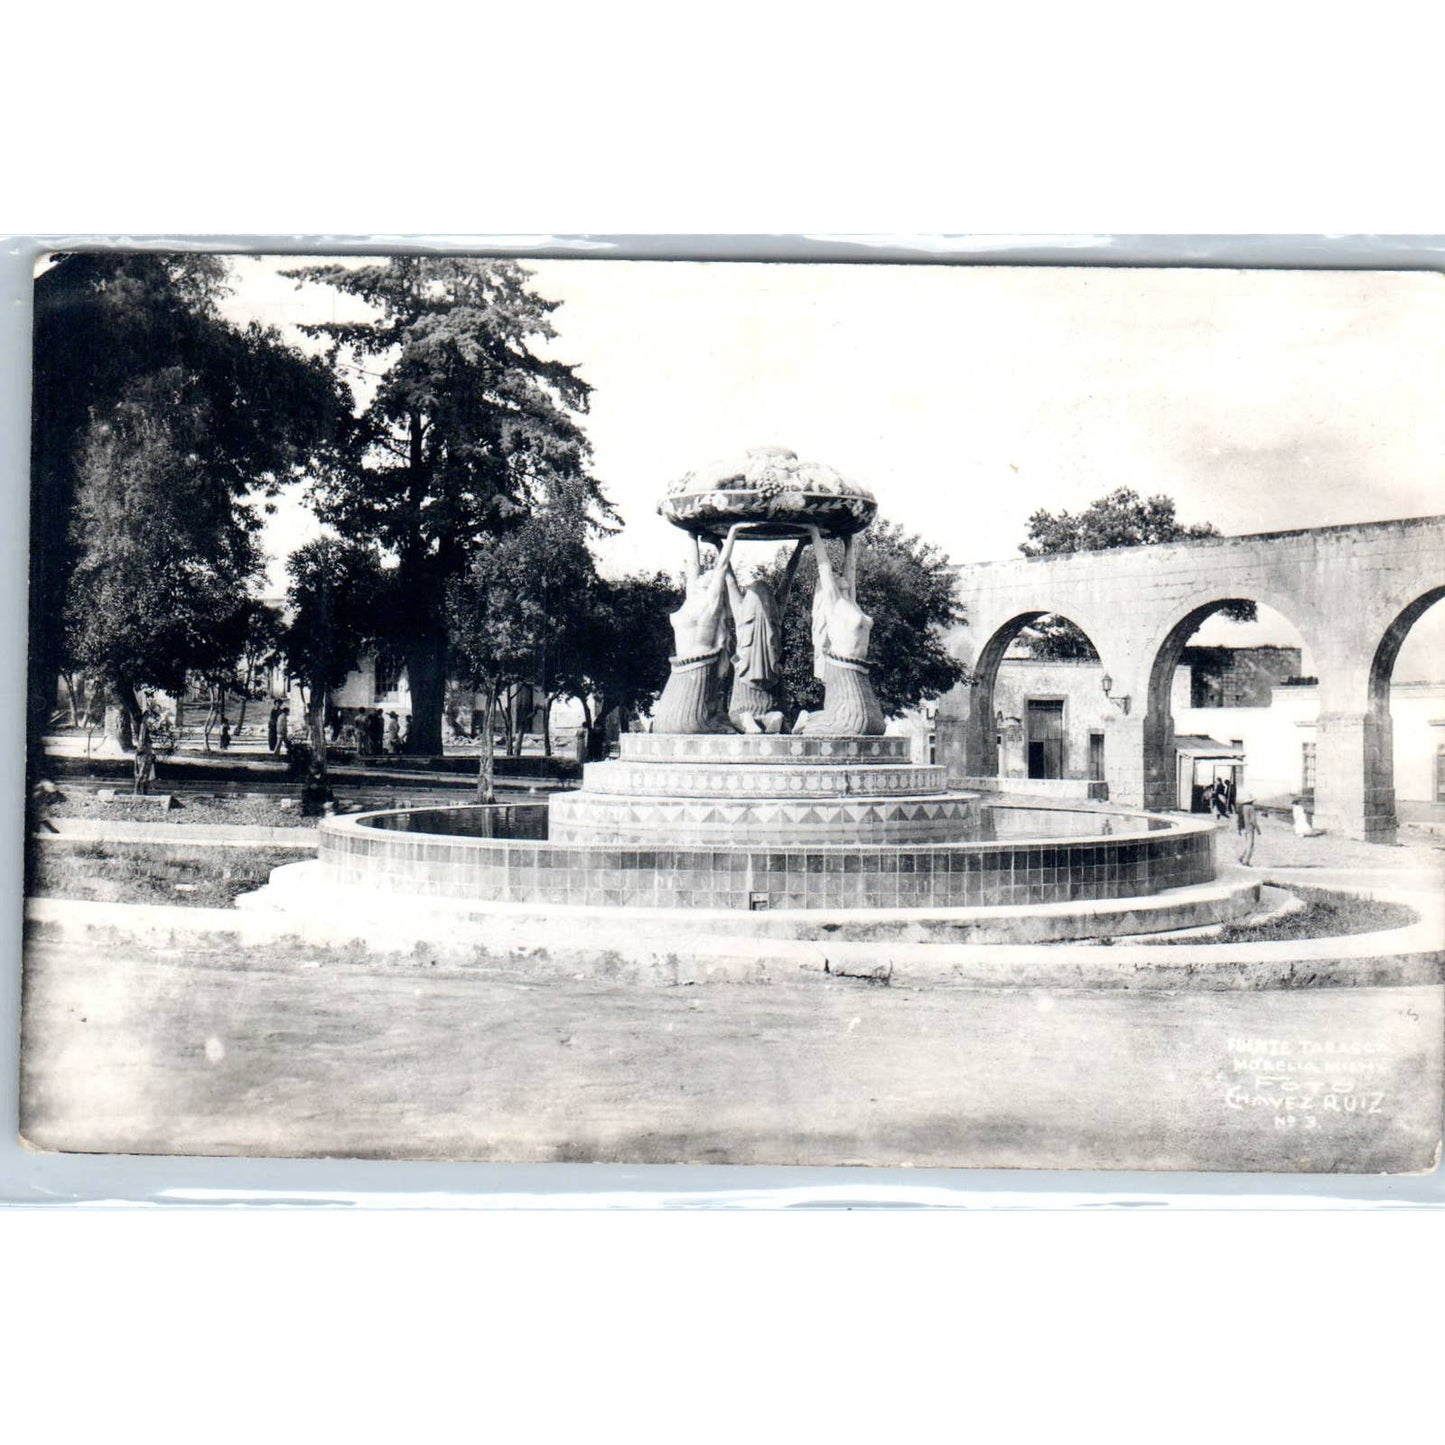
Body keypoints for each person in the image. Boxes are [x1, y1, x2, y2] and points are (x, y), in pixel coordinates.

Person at [793, 527, 885, 737]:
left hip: (860, 670)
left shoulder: (850, 601)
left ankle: (814, 718)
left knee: (875, 725)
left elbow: (851, 568)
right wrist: (814, 533)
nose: (839, 574)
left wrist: (849, 540)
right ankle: (808, 719)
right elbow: (824, 567)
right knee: (855, 724)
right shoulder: (834, 604)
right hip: (843, 670)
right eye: (835, 575)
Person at [652, 525, 744, 734]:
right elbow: (693, 566)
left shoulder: (710, 607)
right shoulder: (692, 600)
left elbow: (721, 567)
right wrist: (691, 533)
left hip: (691, 691)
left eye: (708, 576)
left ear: (715, 587)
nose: (703, 575)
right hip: (681, 685)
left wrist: (733, 533)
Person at [723, 536, 805, 732]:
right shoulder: (776, 611)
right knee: (778, 714)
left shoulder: (741, 611)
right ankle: (774, 718)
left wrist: (721, 545)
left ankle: (747, 720)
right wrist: (800, 546)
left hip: (744, 677)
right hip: (772, 676)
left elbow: (729, 577)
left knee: (736, 716)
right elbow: (788, 576)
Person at [133, 715, 156, 797]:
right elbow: (142, 741)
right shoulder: (144, 727)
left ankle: (143, 792)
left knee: (146, 774)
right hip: (144, 753)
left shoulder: (147, 731)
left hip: (147, 753)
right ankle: (138, 792)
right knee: (142, 773)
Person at [1236, 796, 1261, 865]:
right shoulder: (1251, 808)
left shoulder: (1242, 808)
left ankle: (1241, 857)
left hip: (1244, 828)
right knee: (1250, 845)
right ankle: (1246, 861)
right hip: (1250, 828)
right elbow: (1253, 820)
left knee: (1248, 844)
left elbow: (1238, 820)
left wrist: (1239, 829)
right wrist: (1258, 829)